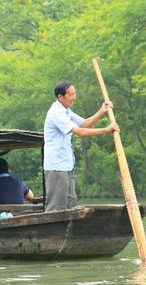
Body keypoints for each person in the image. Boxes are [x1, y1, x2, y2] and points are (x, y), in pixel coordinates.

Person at [44, 80, 119, 211]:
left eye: (74, 94)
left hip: (66, 164)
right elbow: (80, 132)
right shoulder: (56, 112)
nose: (74, 98)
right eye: (71, 94)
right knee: (57, 206)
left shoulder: (66, 111)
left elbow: (84, 123)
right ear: (60, 97)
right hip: (56, 166)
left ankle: (68, 230)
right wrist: (106, 129)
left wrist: (102, 111)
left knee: (70, 202)